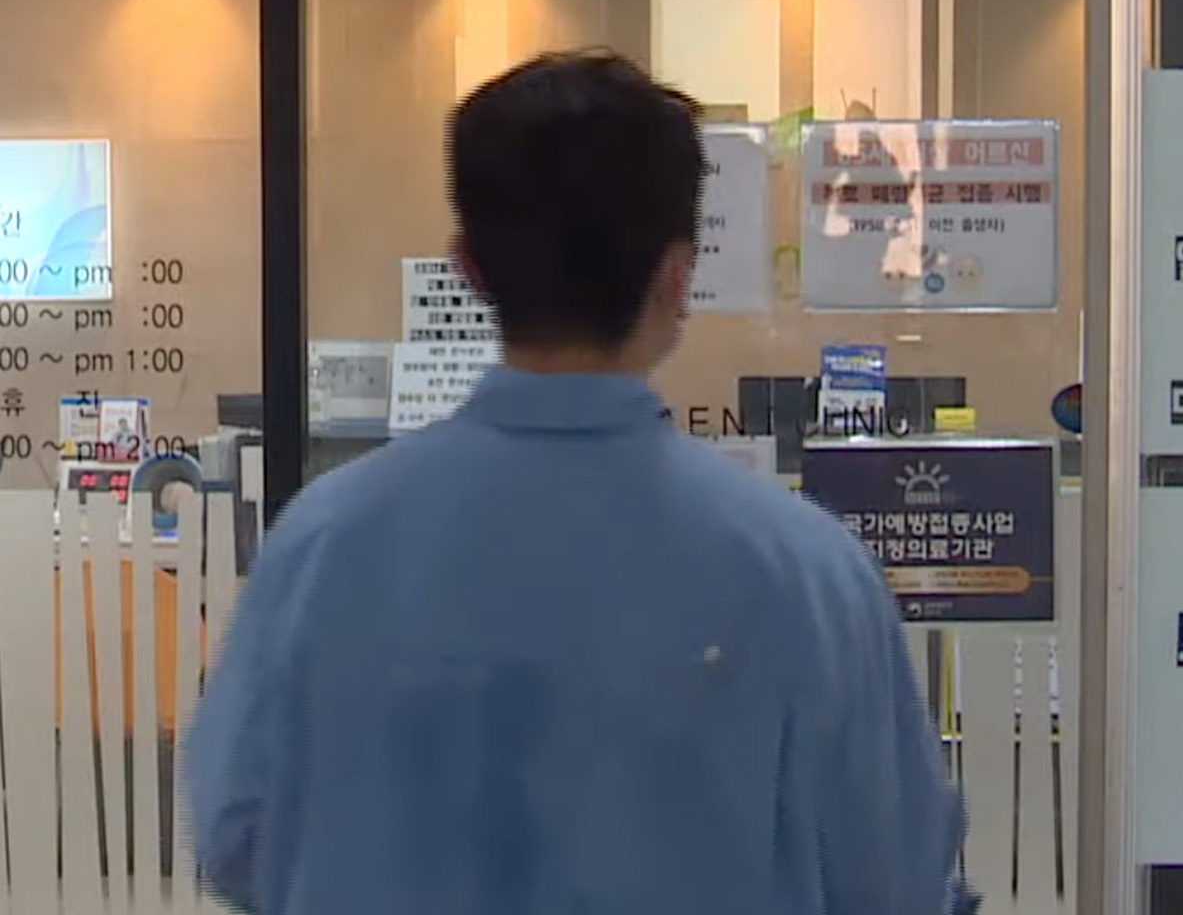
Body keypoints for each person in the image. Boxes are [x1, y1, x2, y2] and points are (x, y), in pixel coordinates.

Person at [185, 49, 970, 915]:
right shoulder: (808, 575)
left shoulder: (322, 548)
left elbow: (236, 836)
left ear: (469, 269)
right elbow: (895, 880)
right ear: (677, 276)